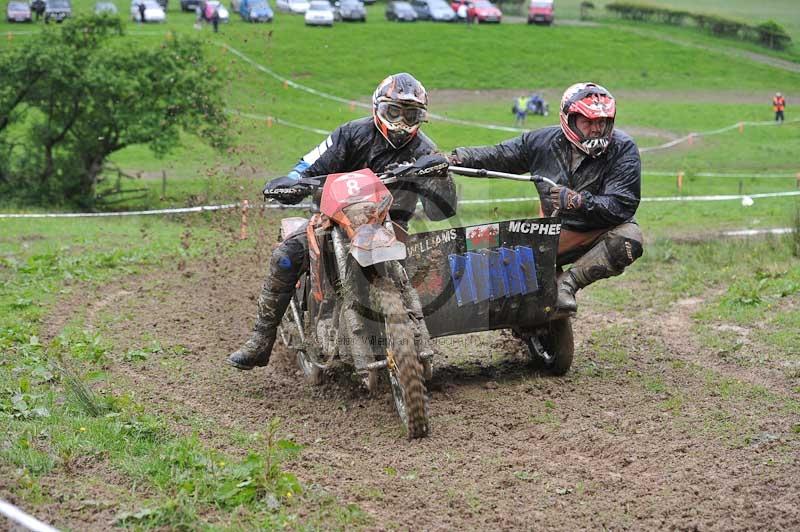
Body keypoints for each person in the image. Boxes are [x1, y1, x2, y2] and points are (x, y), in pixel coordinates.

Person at [227, 73, 457, 371]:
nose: (401, 123)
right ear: (378, 108)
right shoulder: (351, 134)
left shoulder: (425, 149)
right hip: (334, 221)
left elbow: (441, 211)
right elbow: (310, 164)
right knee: (285, 257)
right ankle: (261, 339)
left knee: (432, 273)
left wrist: (441, 176)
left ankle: (410, 339)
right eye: (394, 112)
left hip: (393, 229)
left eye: (411, 115)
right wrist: (294, 182)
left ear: (421, 118)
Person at [448, 82, 643, 314]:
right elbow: (499, 154)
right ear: (569, 119)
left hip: (599, 230)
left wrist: (579, 201)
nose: (596, 130)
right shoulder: (542, 142)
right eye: (588, 122)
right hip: (553, 231)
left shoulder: (623, 149)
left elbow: (622, 205)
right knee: (504, 262)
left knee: (630, 237)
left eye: (602, 122)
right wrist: (455, 159)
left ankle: (567, 285)